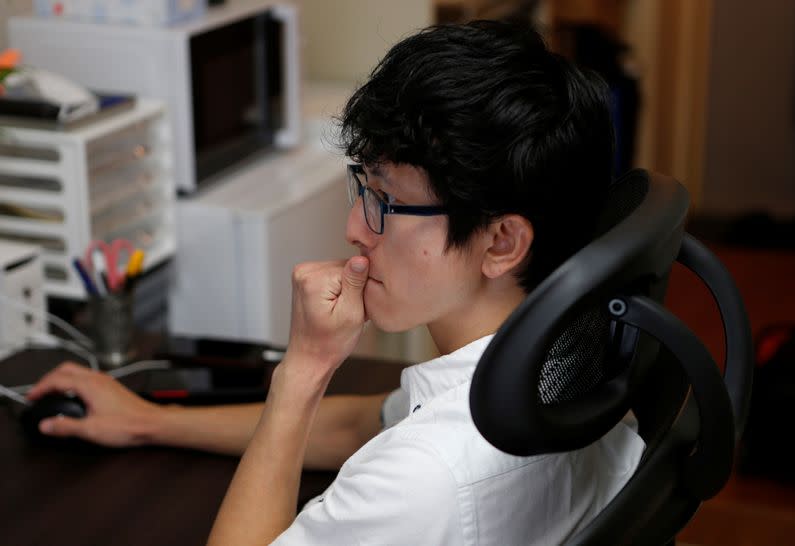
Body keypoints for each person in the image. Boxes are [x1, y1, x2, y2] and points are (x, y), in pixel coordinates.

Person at [28, 21, 645, 545]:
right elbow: (367, 423)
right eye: (364, 188)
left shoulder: (423, 476)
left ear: (501, 242)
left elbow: (399, 453)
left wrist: (302, 372)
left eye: (385, 200)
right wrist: (147, 421)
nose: (355, 227)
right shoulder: (574, 354)